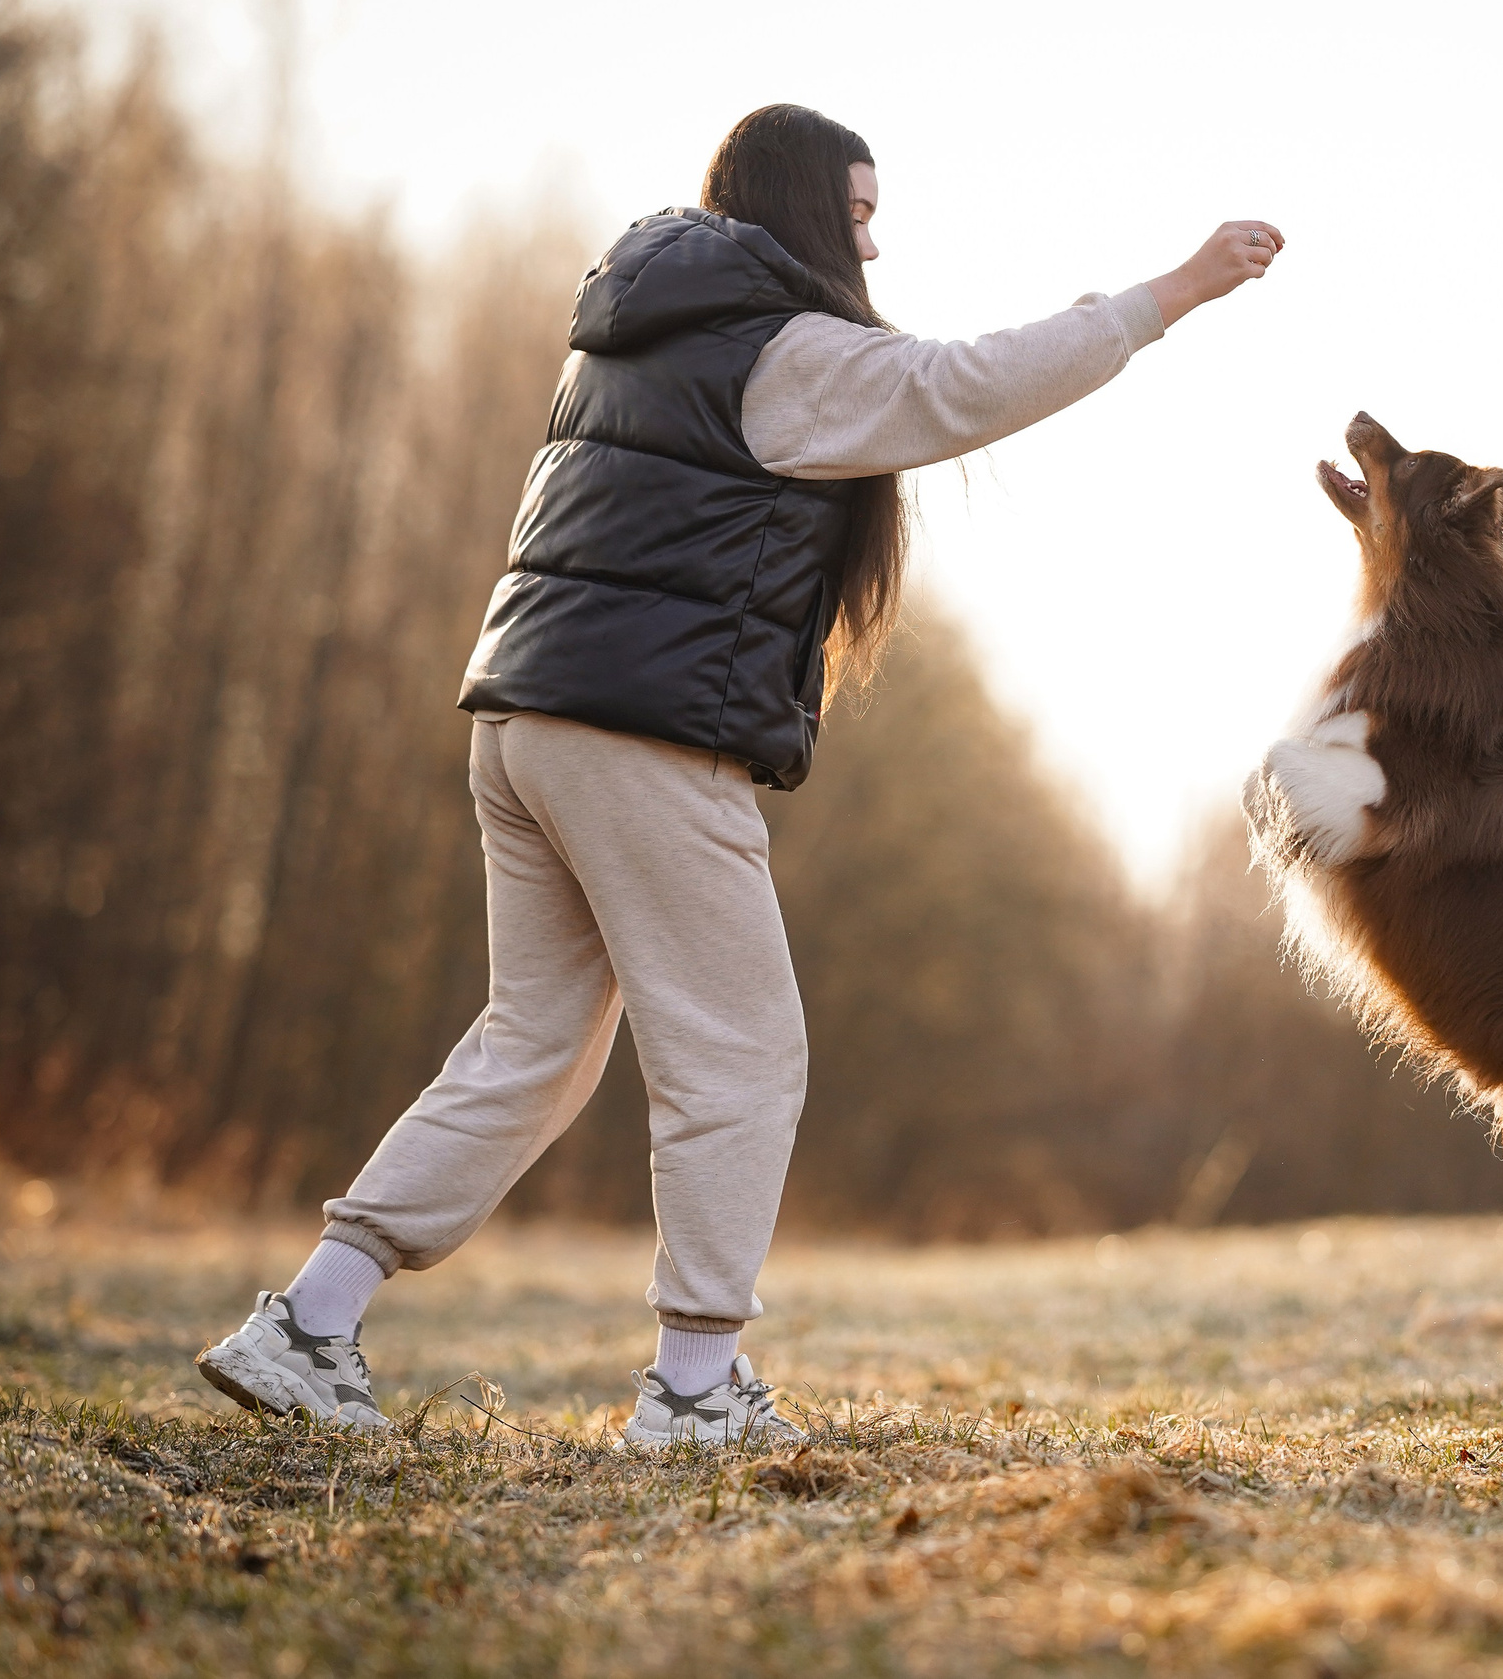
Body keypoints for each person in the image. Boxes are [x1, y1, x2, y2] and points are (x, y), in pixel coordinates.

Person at [194, 104, 1283, 1448]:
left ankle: (306, 1323)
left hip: (526, 718)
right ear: (805, 209)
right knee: (743, 1056)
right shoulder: (790, 349)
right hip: (641, 737)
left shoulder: (648, 325)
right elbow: (963, 387)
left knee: (534, 1046)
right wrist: (1170, 293)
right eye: (862, 216)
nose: (874, 244)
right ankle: (696, 1390)